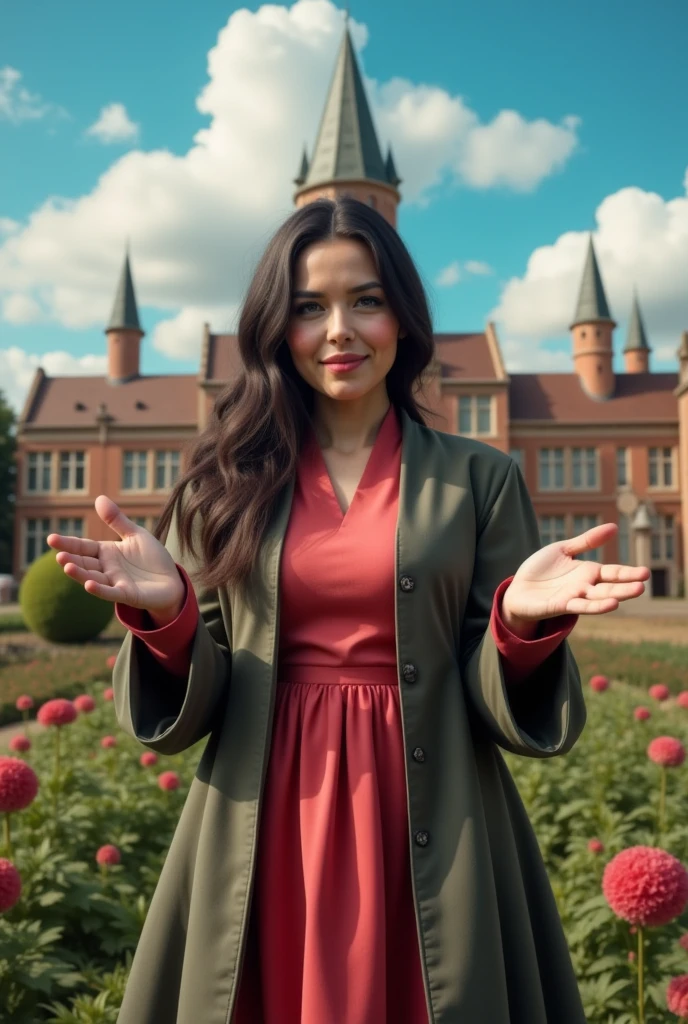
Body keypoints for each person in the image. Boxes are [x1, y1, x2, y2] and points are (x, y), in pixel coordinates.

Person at [48, 197, 650, 1024]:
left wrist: (517, 627)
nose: (339, 330)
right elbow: (195, 702)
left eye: (365, 300)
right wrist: (174, 618)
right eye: (308, 307)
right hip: (265, 815)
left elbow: (494, 696)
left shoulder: (481, 480)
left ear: (402, 316)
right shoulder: (220, 484)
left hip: (433, 812)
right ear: (275, 326)